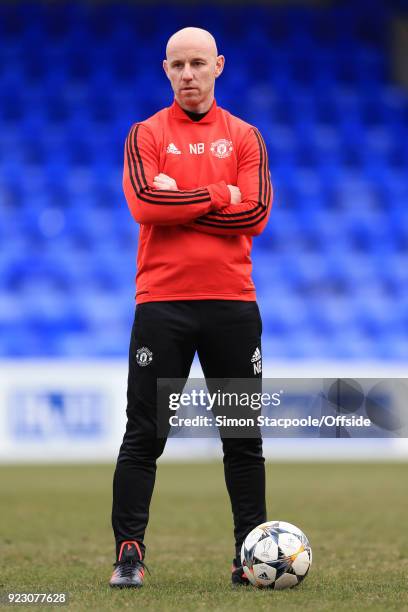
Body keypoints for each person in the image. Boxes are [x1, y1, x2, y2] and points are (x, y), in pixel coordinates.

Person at [110, 26, 273, 588]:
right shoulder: (145, 133)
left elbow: (255, 214)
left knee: (242, 438)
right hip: (163, 305)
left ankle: (248, 556)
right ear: (165, 69)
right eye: (177, 65)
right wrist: (218, 192)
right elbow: (143, 204)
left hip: (233, 305)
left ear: (219, 66)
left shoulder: (246, 136)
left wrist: (178, 196)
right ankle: (129, 554)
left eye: (198, 63)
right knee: (144, 435)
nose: (188, 74)